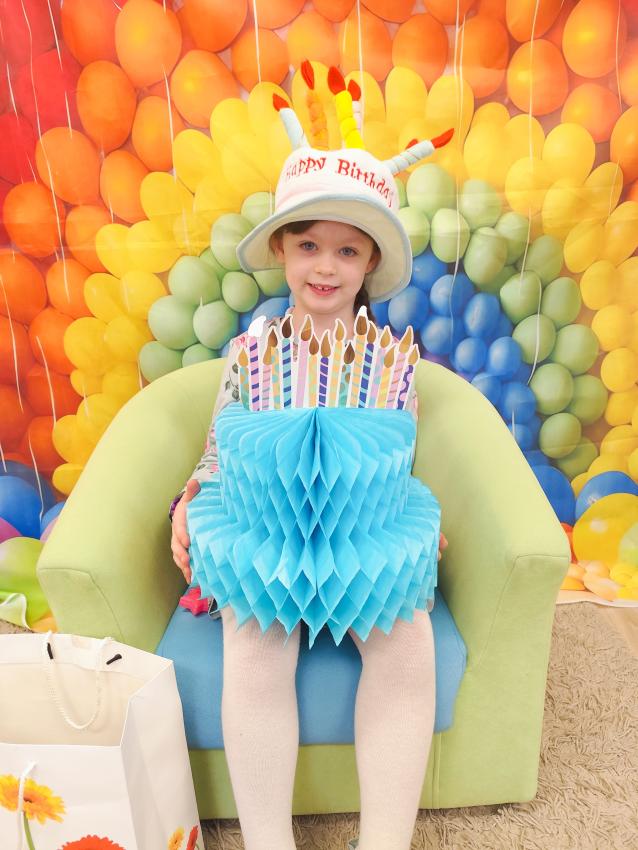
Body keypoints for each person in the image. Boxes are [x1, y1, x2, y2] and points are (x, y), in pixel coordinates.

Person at [170, 112, 450, 850]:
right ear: (282, 251)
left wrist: (411, 529)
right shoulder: (250, 354)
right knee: (255, 643)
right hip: (267, 540)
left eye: (346, 250)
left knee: (407, 643)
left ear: (369, 263)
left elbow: (394, 461)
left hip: (358, 544)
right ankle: (269, 842)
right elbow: (219, 449)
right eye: (308, 245)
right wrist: (191, 501)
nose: (326, 266)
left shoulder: (392, 363)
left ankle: (385, 842)